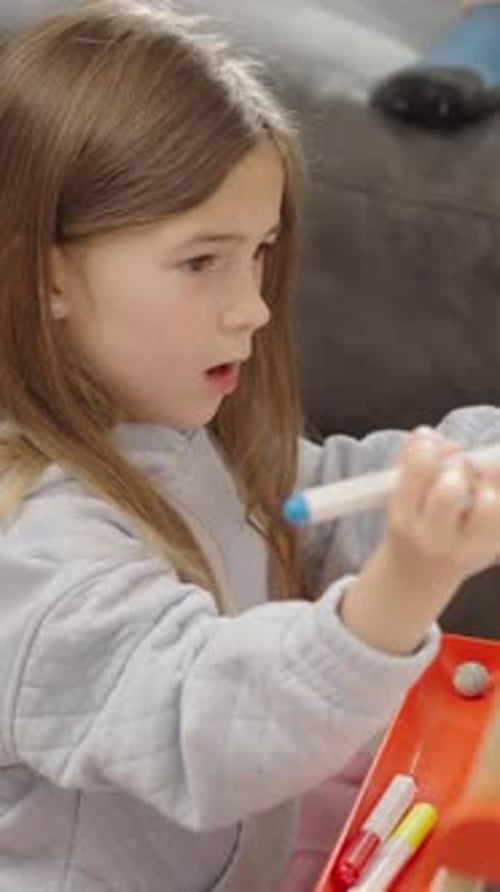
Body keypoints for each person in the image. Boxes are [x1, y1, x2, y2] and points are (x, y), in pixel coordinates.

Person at [0, 2, 500, 891]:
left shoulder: (174, 431)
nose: (254, 309)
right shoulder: (31, 548)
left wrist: (470, 460)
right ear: (44, 276)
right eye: (202, 261)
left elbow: (317, 504)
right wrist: (403, 589)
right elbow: (212, 731)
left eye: (260, 252)